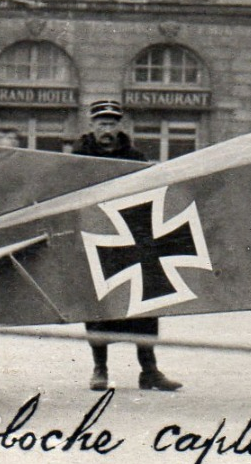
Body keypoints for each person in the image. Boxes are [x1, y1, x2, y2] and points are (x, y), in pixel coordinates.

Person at [75, 100, 181, 392]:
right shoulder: (78, 158)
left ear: (120, 125)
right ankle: (100, 368)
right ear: (92, 125)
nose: (107, 129)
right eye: (101, 123)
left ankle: (149, 370)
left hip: (131, 235)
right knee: (97, 305)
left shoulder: (134, 157)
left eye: (112, 123)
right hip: (97, 236)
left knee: (145, 302)